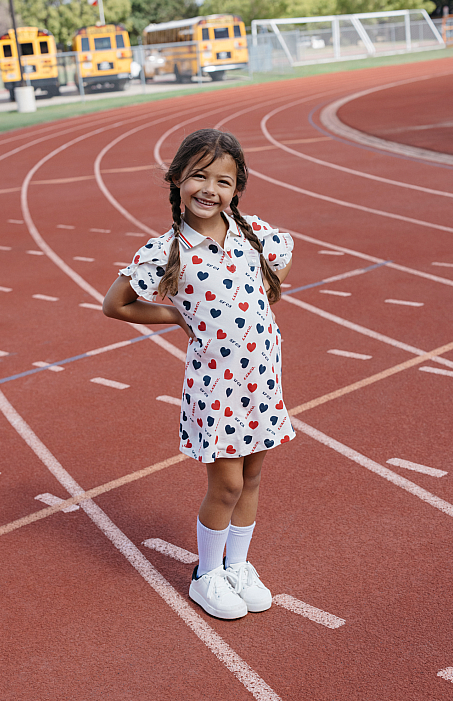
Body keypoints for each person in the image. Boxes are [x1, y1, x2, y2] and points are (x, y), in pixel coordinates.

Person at [103, 128, 295, 620]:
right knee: (226, 486)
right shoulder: (167, 250)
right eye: (199, 176)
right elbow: (116, 304)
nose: (210, 189)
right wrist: (173, 315)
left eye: (223, 181)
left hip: (261, 376)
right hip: (217, 385)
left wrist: (260, 300)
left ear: (237, 188)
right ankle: (206, 575)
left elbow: (282, 256)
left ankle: (238, 566)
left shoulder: (250, 232)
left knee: (252, 477)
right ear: (177, 180)